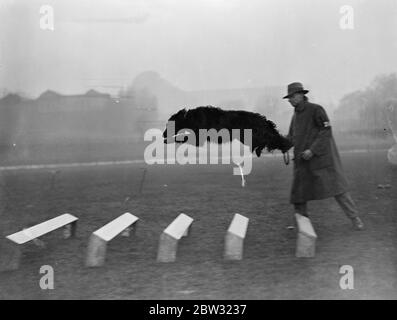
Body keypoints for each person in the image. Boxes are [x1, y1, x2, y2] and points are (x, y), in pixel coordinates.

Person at [283, 82, 364, 230]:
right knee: (298, 194)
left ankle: (355, 219)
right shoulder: (295, 115)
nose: (290, 100)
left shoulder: (316, 109)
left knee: (338, 189)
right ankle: (303, 225)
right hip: (302, 162)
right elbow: (291, 136)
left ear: (301, 95)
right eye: (289, 97)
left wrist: (312, 150)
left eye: (292, 96)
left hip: (321, 161)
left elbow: (326, 131)